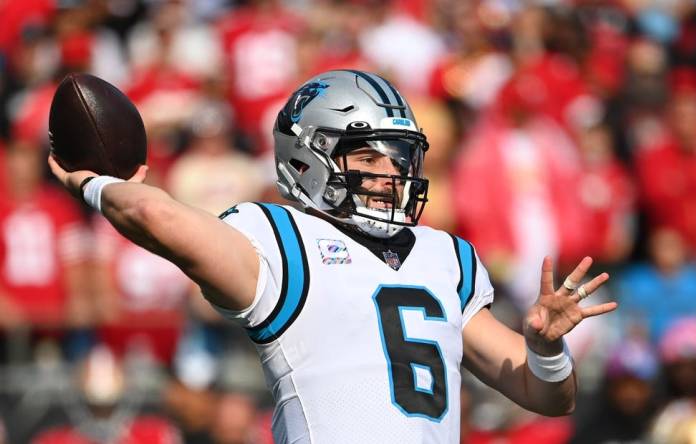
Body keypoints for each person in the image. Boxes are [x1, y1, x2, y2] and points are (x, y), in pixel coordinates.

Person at [49, 70, 616, 443]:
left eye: (400, 159)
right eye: (369, 157)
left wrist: (545, 349)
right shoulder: (276, 238)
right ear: (306, 159)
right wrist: (96, 183)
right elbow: (157, 217)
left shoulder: (444, 255)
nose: (392, 174)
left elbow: (548, 396)